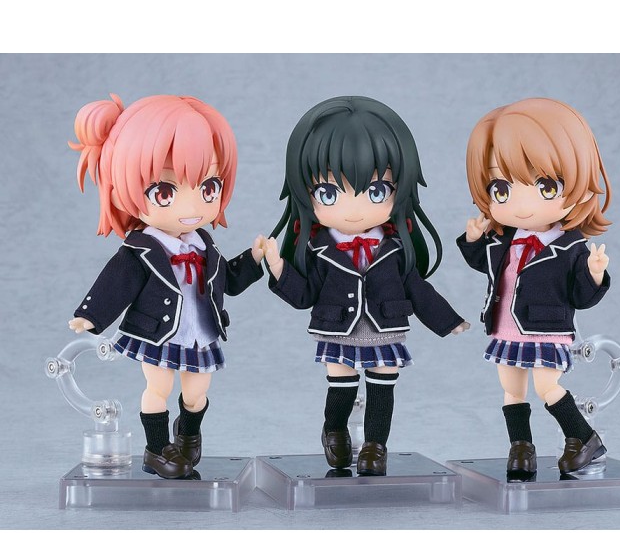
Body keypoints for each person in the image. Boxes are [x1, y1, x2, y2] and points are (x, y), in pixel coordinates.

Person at [264, 96, 468, 476]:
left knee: (382, 386)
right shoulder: (319, 249)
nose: (354, 209)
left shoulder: (395, 248)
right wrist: (278, 268)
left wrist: (447, 320)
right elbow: (304, 295)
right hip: (337, 326)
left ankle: (376, 446)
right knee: (340, 384)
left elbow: (417, 289)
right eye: (329, 193)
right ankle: (335, 431)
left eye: (376, 192)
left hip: (385, 326)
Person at [68, 94, 265, 478]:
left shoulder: (204, 245)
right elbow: (116, 282)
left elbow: (227, 280)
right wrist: (91, 316)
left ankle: (188, 436)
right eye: (165, 192)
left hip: (200, 331)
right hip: (157, 331)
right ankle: (156, 449)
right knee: (157, 388)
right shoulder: (141, 250)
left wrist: (254, 260)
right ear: (125, 192)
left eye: (208, 187)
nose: (191, 207)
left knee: (197, 392)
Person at [457, 97, 612, 478]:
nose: (521, 204)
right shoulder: (504, 240)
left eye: (545, 186)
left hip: (546, 327)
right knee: (511, 389)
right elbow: (485, 266)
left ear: (578, 186)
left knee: (547, 386)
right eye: (501, 189)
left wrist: (594, 274)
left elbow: (581, 297)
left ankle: (583, 437)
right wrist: (474, 239)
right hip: (506, 326)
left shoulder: (570, 247)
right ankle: (520, 447)